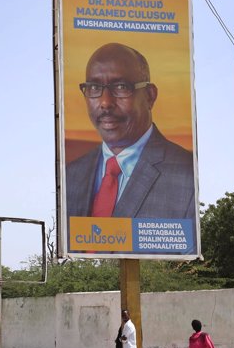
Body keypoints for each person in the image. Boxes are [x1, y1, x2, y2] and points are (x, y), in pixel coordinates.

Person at [66, 43, 196, 223]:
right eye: (94, 88)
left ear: (150, 96)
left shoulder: (186, 174)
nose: (105, 103)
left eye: (120, 87)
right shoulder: (71, 175)